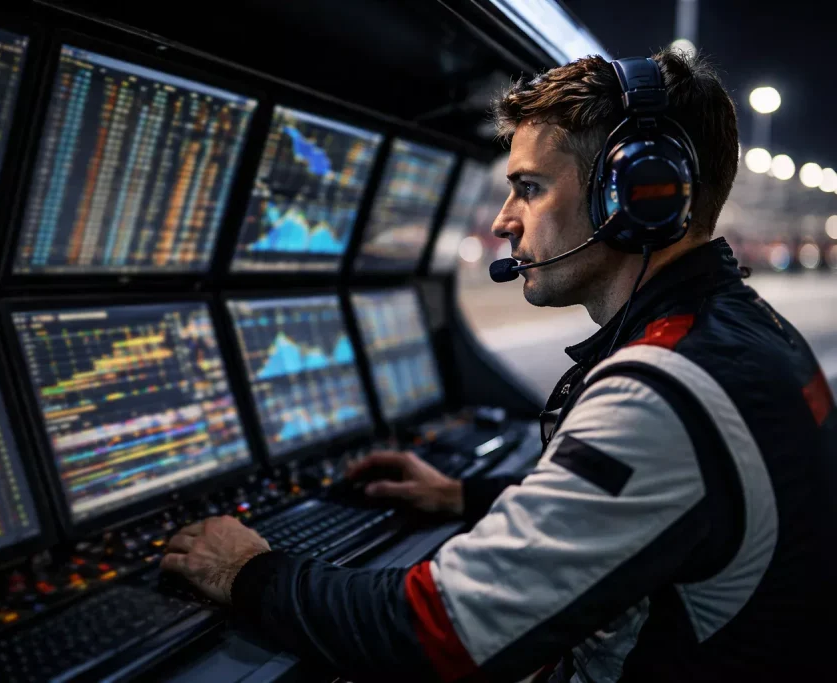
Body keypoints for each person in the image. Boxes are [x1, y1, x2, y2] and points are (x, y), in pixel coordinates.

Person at [161, 50, 836, 682]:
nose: (505, 221)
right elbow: (651, 508)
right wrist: (463, 497)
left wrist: (247, 568)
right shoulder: (753, 331)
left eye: (530, 188)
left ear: (637, 195)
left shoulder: (661, 389)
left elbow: (433, 630)